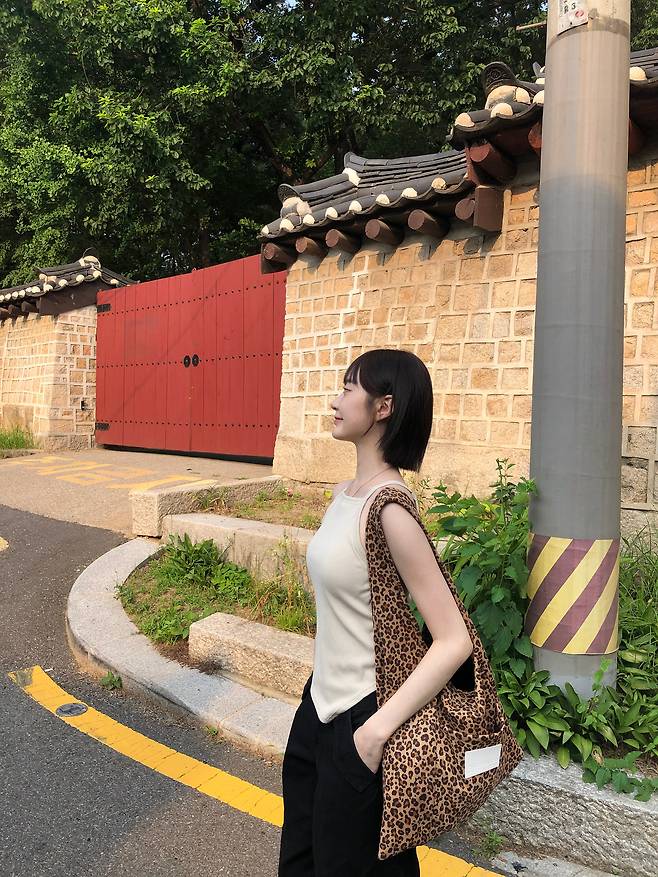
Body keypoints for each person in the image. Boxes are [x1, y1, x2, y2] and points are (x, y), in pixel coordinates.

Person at [277, 348, 474, 876]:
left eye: (348, 389)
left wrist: (374, 733)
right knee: (300, 862)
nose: (335, 401)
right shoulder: (345, 494)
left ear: (383, 407)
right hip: (317, 709)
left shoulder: (389, 509)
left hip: (361, 717)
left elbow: (454, 639)